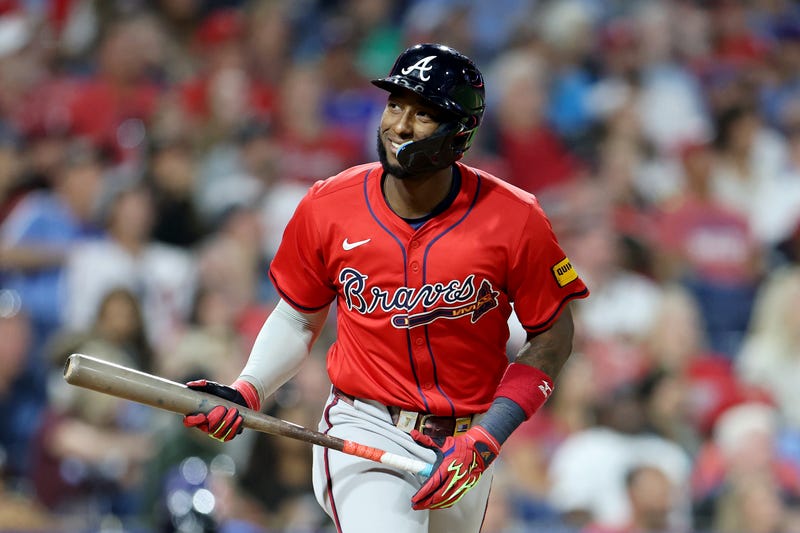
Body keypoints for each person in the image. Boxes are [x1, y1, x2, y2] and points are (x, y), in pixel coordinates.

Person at [182, 43, 589, 533]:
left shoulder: (516, 218)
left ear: (459, 132)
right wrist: (249, 387)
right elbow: (297, 316)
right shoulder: (329, 204)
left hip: (467, 443)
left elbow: (552, 336)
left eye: (422, 113)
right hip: (366, 424)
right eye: (395, 104)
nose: (399, 124)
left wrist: (488, 436)